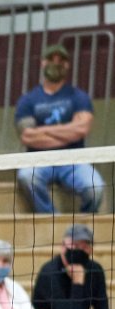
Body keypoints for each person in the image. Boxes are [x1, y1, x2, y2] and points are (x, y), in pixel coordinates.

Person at [15, 43, 104, 214]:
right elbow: (27, 137)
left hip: (74, 160)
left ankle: (82, 225)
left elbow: (82, 129)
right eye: (51, 59)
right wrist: (68, 131)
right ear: (43, 62)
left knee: (96, 188)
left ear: (67, 65)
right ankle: (52, 220)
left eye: (61, 60)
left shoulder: (79, 96)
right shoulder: (28, 100)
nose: (56, 63)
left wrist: (43, 130)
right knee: (26, 177)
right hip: (39, 160)